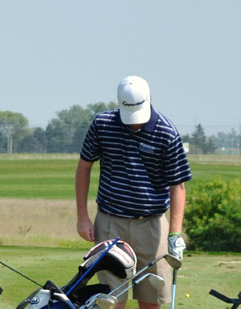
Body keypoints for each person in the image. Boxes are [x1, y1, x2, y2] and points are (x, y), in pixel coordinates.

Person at [75, 76, 192, 309]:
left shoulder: (166, 132)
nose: (134, 124)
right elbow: (84, 167)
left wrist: (174, 234)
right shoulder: (102, 124)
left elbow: (177, 186)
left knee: (151, 301)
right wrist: (82, 216)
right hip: (110, 224)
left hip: (152, 227)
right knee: (111, 301)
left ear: (150, 100)